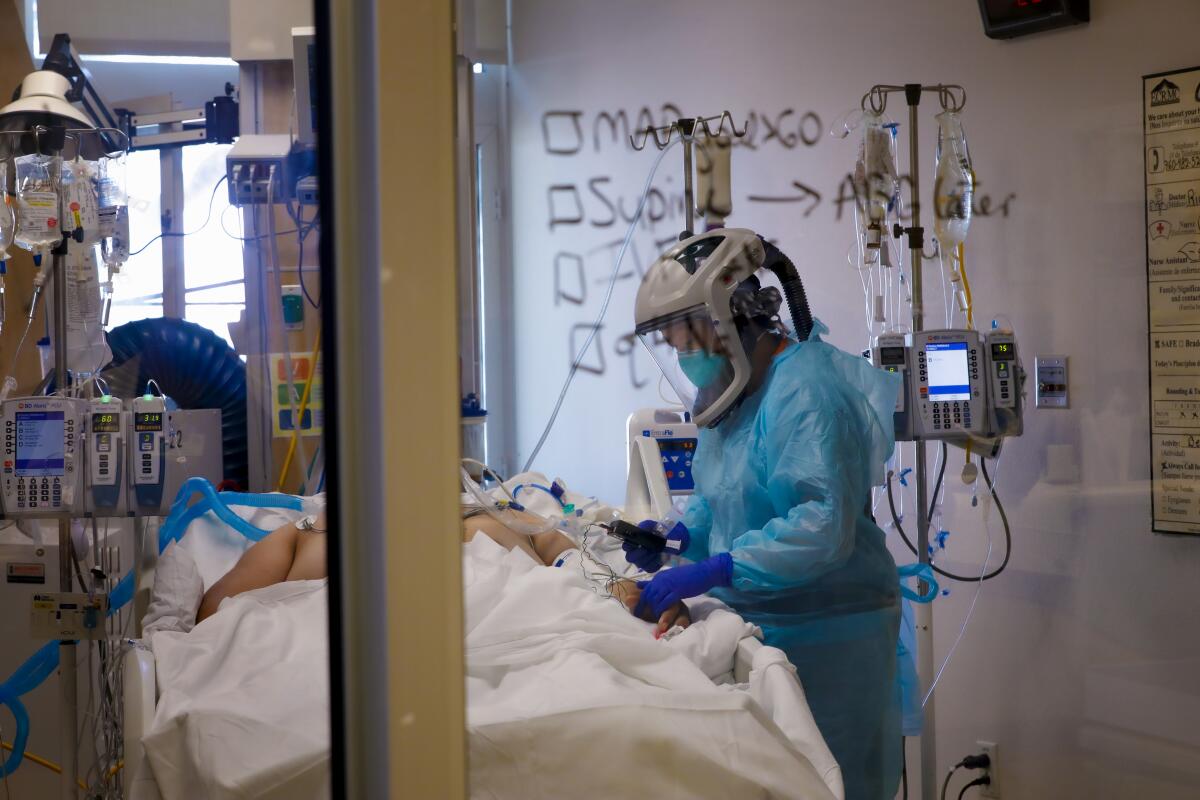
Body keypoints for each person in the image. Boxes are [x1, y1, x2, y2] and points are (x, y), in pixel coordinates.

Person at [625, 228, 902, 800]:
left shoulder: (807, 391)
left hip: (829, 634)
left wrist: (719, 569)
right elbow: (718, 497)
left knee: (831, 782)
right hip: (770, 624)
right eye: (673, 343)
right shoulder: (738, 391)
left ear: (736, 319)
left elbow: (821, 523)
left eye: (689, 338)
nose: (684, 356)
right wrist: (680, 539)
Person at [199, 506, 690, 634]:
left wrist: (626, 591)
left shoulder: (485, 515)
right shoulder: (305, 535)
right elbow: (217, 622)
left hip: (531, 635)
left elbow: (568, 560)